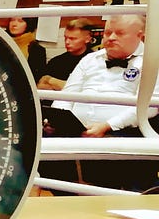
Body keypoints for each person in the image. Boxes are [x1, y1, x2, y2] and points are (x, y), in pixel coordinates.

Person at [41, 15, 159, 191]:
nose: (111, 38)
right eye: (108, 32)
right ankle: (66, 201)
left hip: (123, 131)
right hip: (76, 128)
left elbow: (150, 106)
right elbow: (68, 94)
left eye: (119, 33)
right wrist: (56, 120)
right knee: (42, 145)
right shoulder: (90, 59)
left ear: (140, 36)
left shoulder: (152, 61)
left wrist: (107, 125)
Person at [37, 18, 96, 91]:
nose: (67, 42)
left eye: (72, 39)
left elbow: (84, 90)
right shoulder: (56, 62)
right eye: (65, 38)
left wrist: (51, 80)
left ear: (87, 39)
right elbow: (40, 87)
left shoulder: (95, 62)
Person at [6, 16, 47, 83]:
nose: (14, 24)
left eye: (20, 21)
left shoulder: (37, 50)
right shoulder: (2, 42)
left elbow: (37, 79)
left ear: (28, 24)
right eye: (12, 20)